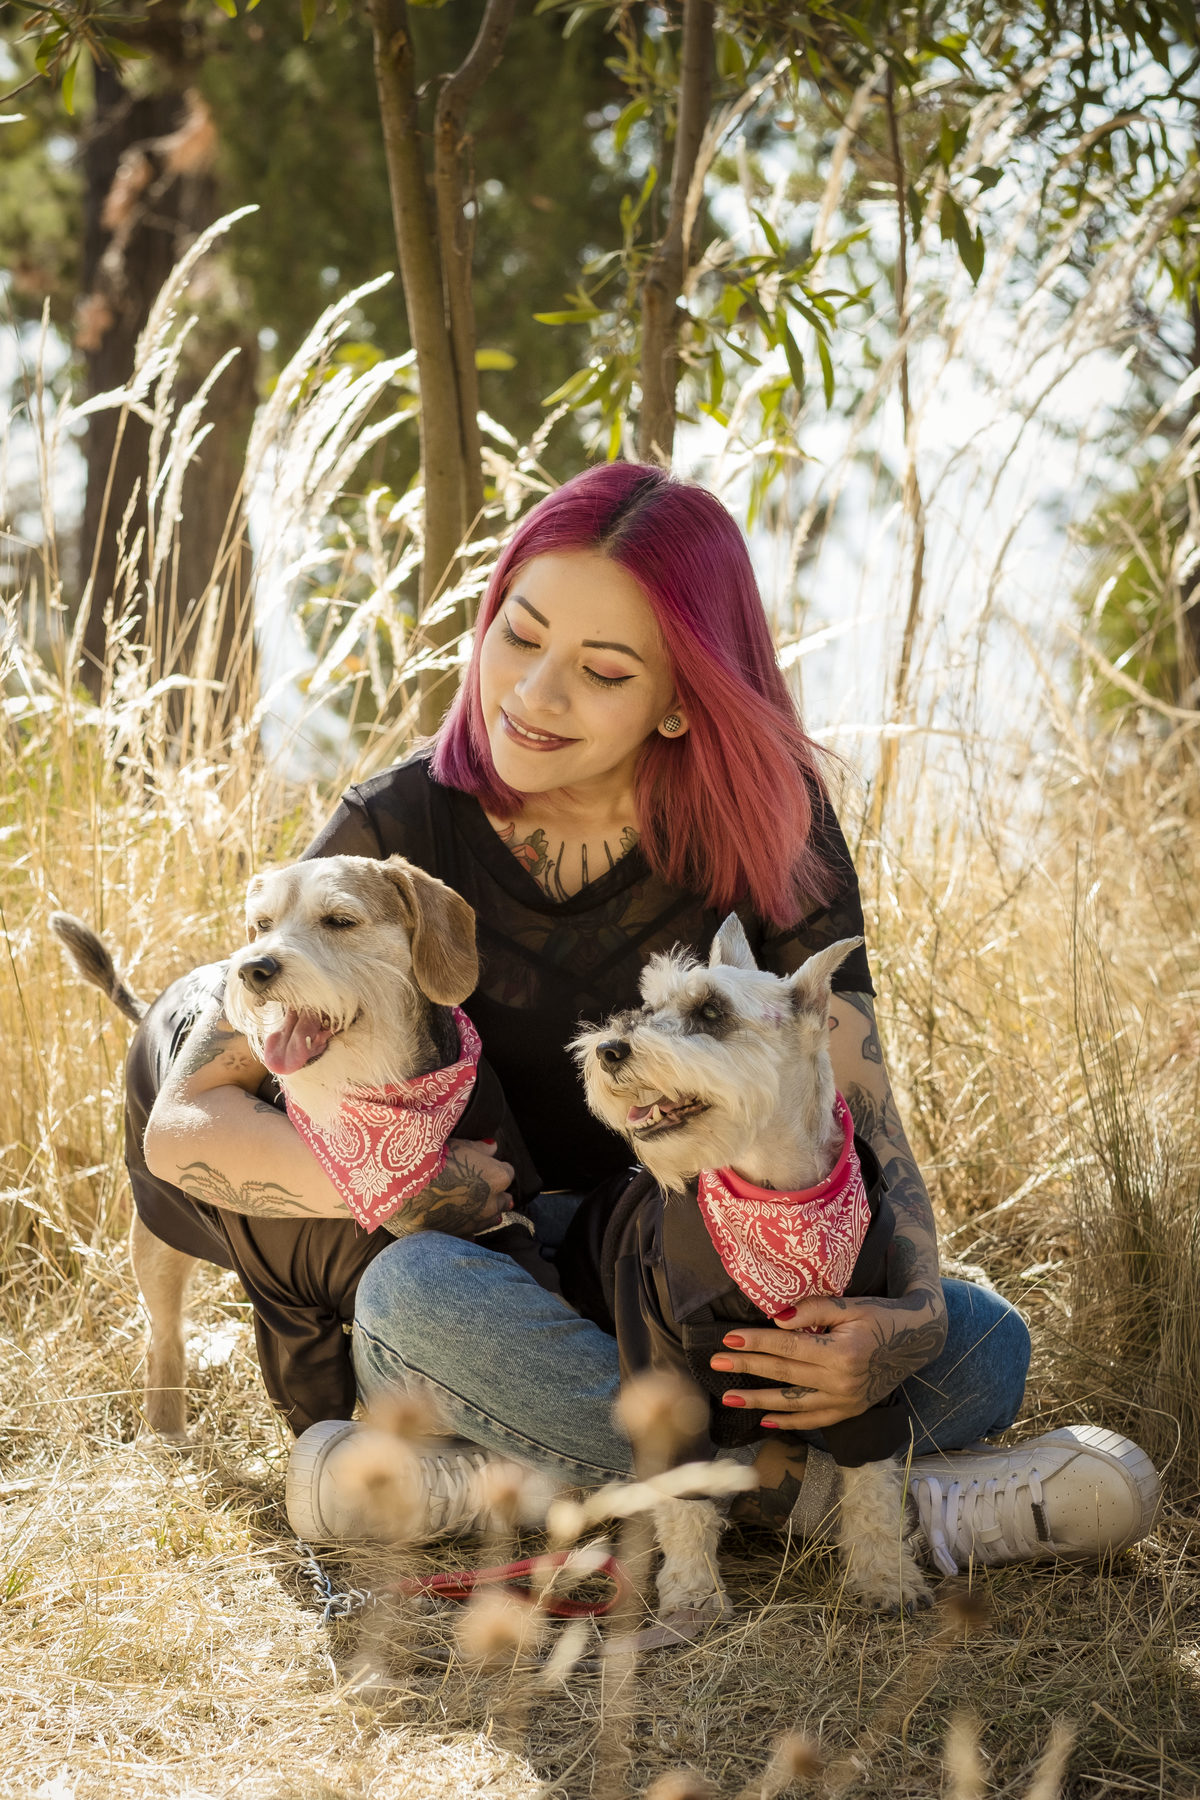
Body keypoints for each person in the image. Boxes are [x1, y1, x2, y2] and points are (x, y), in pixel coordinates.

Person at [143, 463, 1158, 1571]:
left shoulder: (775, 830)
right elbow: (183, 1126)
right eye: (518, 637)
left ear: (682, 696)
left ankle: (495, 1486)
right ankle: (854, 1512)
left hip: (711, 1278)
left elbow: (861, 1111)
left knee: (984, 1343)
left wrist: (900, 1326)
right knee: (412, 1290)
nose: (533, 695)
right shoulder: (395, 830)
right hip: (496, 1296)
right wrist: (410, 1186)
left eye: (602, 670)